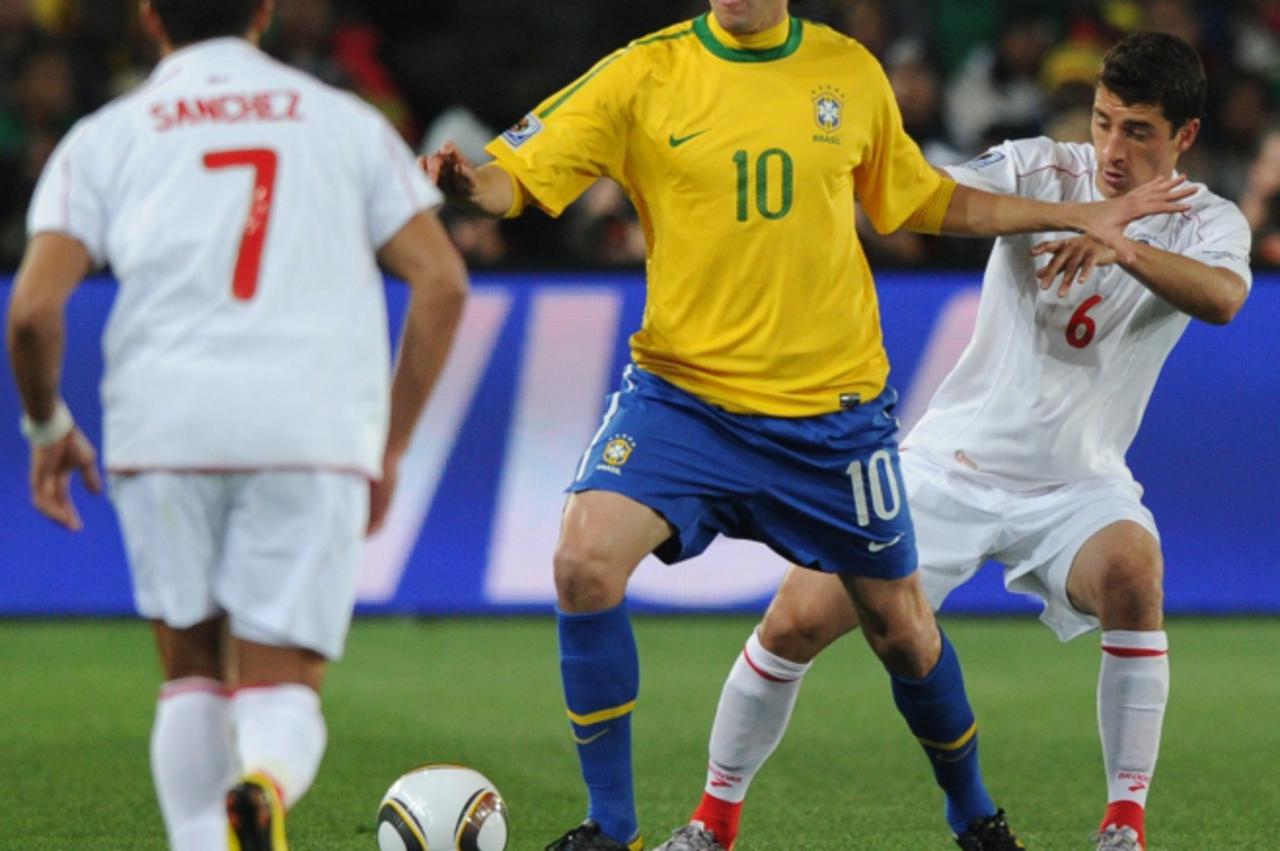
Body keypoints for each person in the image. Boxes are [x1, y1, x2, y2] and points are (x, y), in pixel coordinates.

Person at [426, 3, 1190, 848]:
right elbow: (516, 173)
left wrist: (1072, 214)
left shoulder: (848, 71)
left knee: (902, 630)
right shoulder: (644, 72)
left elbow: (921, 200)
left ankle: (973, 811)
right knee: (582, 561)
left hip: (831, 419)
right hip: (684, 397)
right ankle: (611, 827)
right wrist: (470, 187)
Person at [660, 31, 1249, 851]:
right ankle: (710, 823)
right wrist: (1075, 212)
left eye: (1138, 130)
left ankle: (1123, 826)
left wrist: (1118, 238)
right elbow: (921, 196)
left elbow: (1223, 300)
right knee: (794, 617)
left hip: (1077, 486)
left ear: (1184, 136)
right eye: (1104, 120)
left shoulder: (1208, 222)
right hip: (948, 467)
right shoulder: (1041, 167)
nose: (1112, 148)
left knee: (1134, 572)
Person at [5, 1, 467, 849]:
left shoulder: (107, 134)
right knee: (282, 682)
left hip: (163, 423)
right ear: (264, 11)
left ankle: (205, 835)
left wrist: (46, 428)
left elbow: (32, 311)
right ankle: (263, 784)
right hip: (311, 424)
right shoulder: (347, 125)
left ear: (149, 18)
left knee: (190, 673)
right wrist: (392, 442)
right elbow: (442, 283)